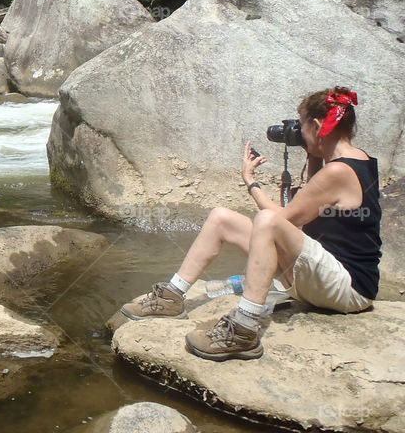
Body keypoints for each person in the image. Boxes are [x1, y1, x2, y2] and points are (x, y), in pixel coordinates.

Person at [119, 86, 382, 361]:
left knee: (267, 221)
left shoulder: (338, 171)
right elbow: (302, 213)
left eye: (302, 126)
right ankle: (171, 297)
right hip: (324, 276)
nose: (298, 134)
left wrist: (251, 182)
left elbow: (283, 219)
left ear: (317, 126)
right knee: (221, 217)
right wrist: (313, 155)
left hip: (348, 289)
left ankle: (243, 330)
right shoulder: (356, 159)